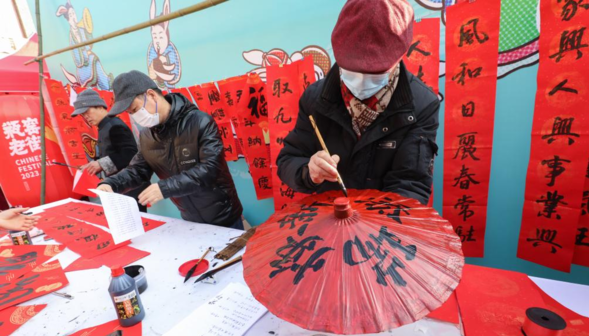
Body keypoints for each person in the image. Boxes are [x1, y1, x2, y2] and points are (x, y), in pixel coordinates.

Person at [276, 0, 439, 205]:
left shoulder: (422, 105)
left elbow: (410, 184)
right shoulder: (315, 98)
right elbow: (288, 160)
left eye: (376, 73)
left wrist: (373, 227)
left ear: (397, 58)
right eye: (351, 71)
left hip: (383, 226)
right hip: (330, 217)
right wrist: (309, 172)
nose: (361, 82)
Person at [96, 70, 244, 229]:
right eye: (130, 113)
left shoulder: (199, 121)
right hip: (190, 218)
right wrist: (111, 183)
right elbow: (138, 170)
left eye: (135, 109)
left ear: (152, 95)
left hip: (224, 216)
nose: (134, 116)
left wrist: (164, 188)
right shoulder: (147, 135)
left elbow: (210, 169)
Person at [71, 89, 148, 212]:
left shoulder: (114, 125)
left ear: (100, 106)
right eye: (82, 114)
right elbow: (111, 152)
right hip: (120, 185)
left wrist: (101, 164)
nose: (86, 117)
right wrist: (92, 164)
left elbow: (130, 154)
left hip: (130, 185)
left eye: (87, 111)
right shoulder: (104, 126)